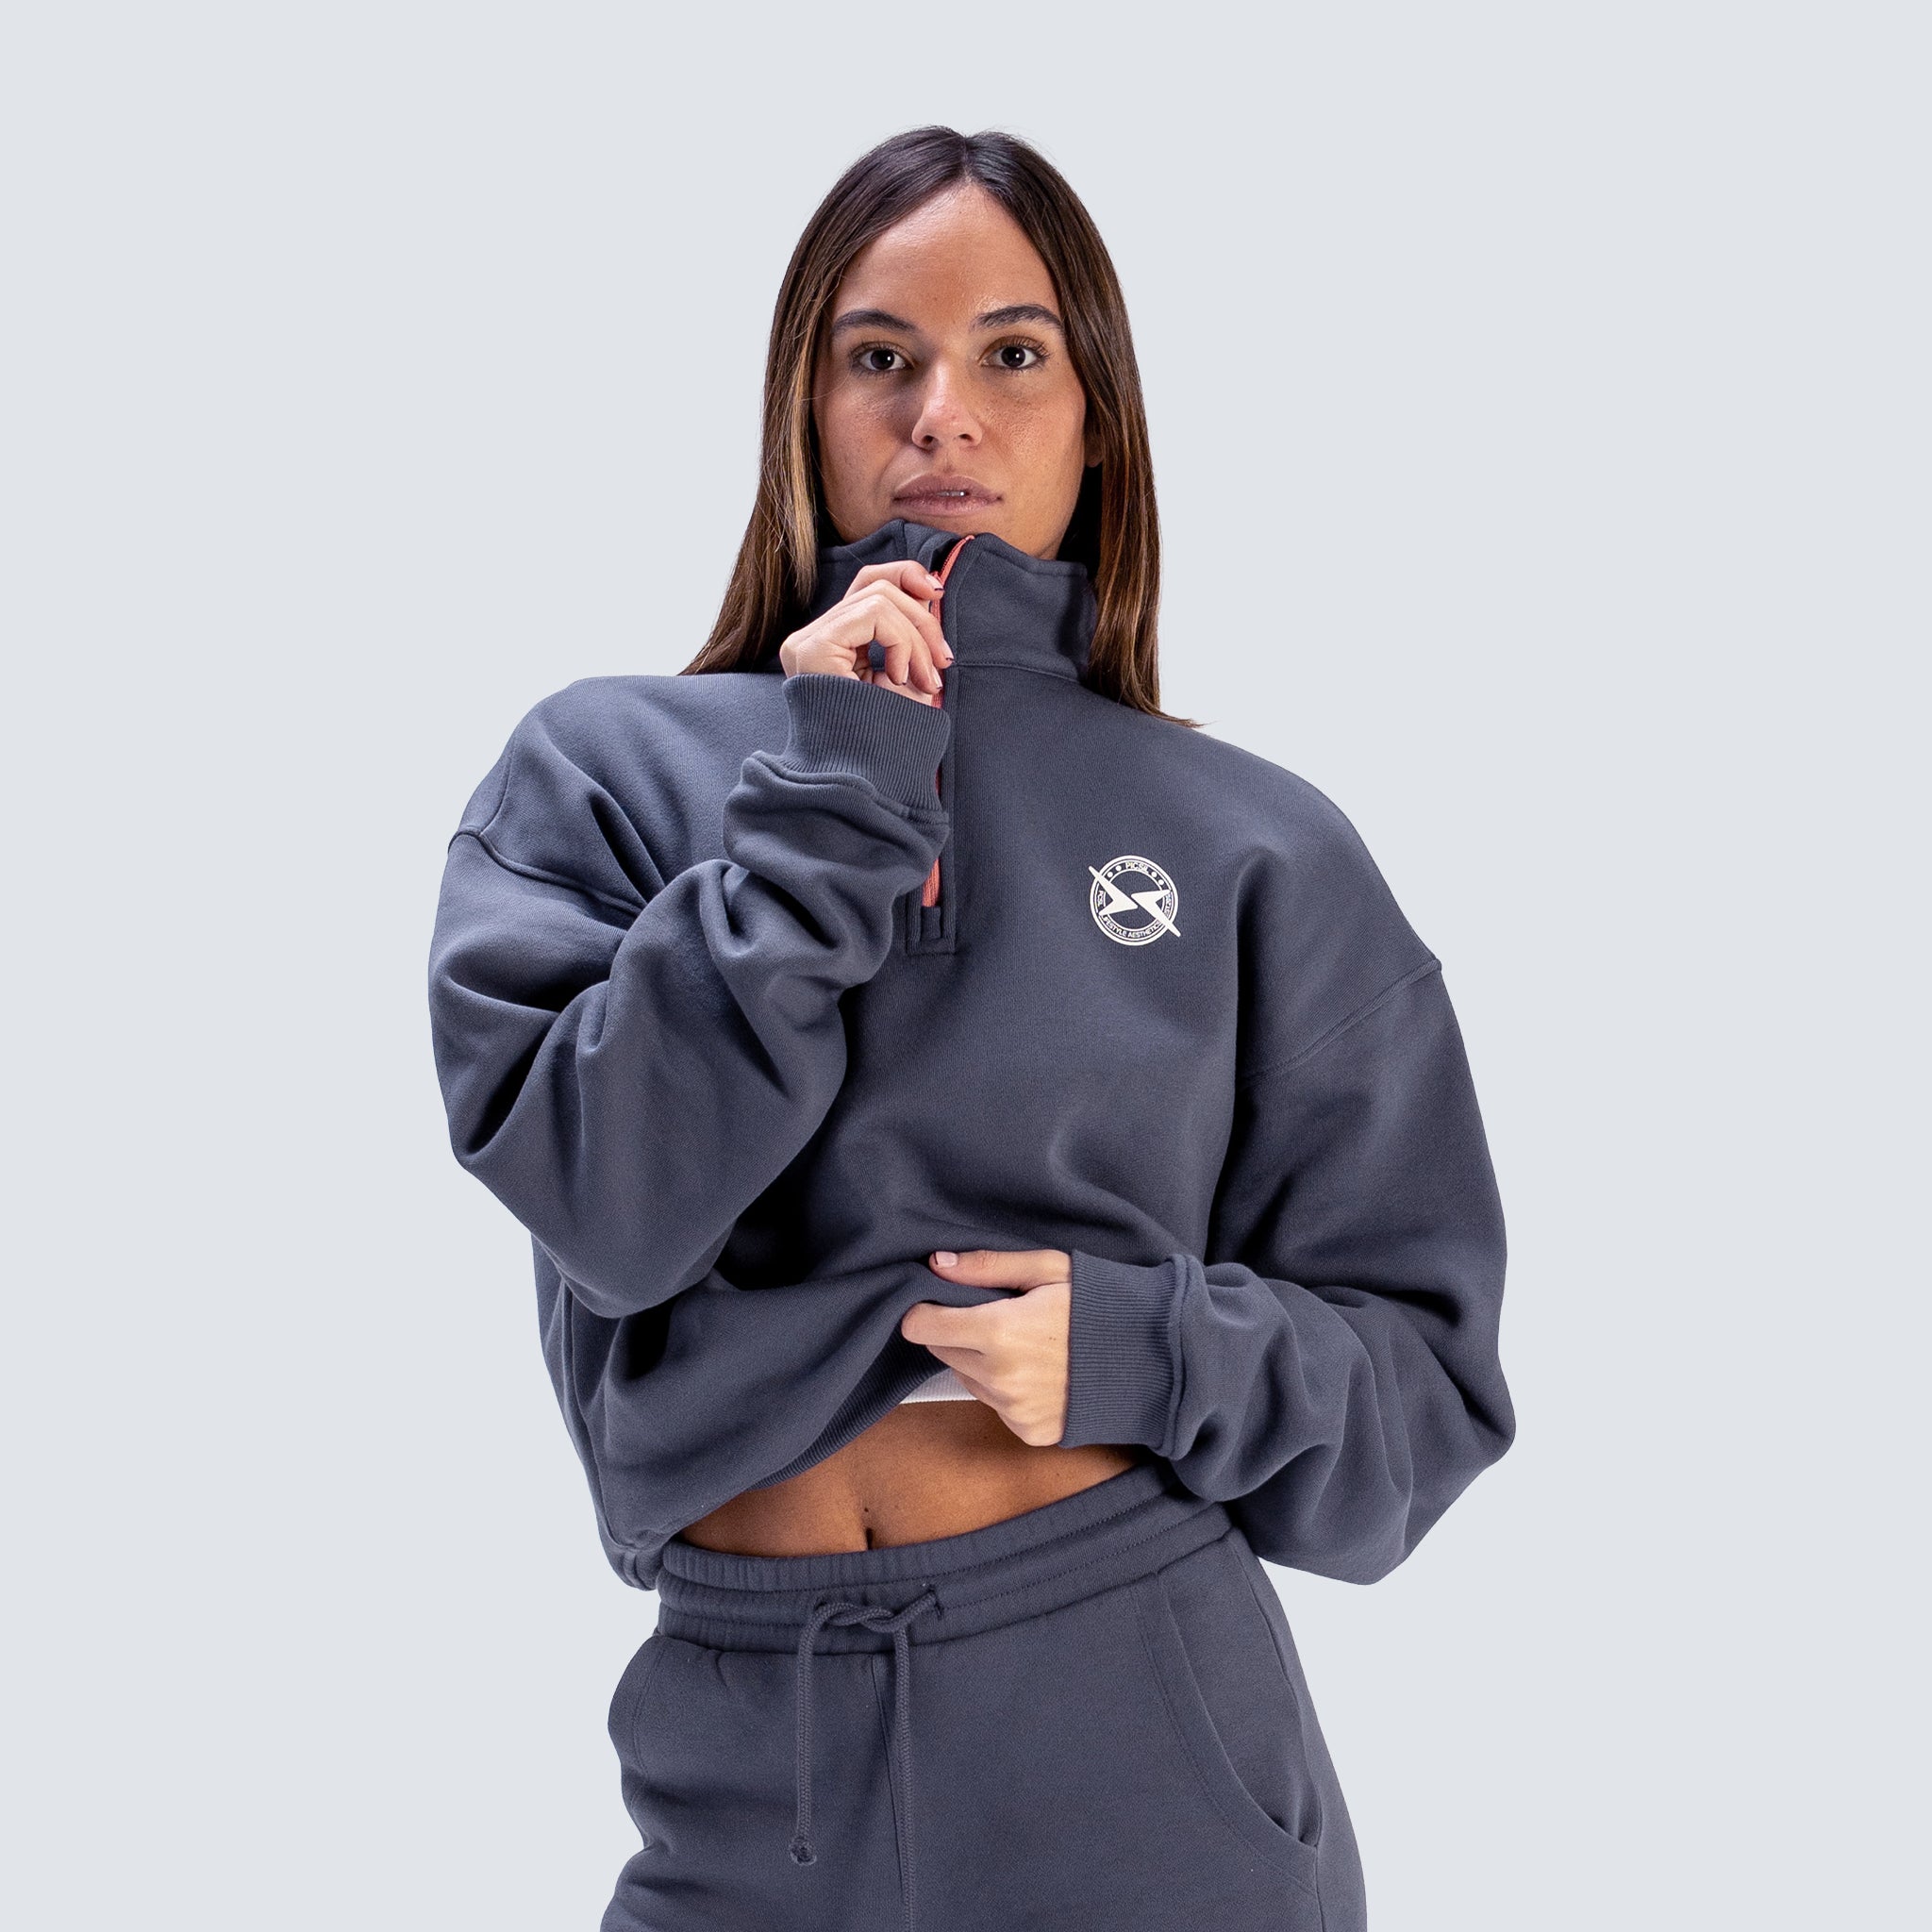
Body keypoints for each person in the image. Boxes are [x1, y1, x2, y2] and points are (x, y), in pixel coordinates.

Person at [427, 124, 1514, 1932]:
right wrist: (829, 803)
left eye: (1014, 353)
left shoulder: (1255, 844)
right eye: (881, 355)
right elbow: (614, 1203)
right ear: (802, 408)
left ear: (1100, 422)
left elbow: (1428, 1402)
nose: (943, 416)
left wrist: (1150, 1350)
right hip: (745, 1753)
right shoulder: (607, 773)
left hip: (1145, 1737)